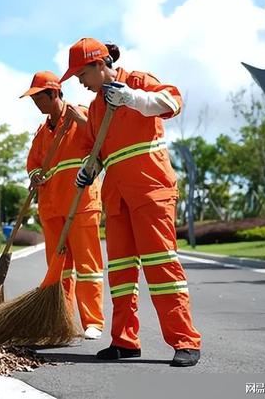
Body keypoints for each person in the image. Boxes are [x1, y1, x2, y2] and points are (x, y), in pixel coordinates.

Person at [60, 38, 202, 367]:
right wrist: (89, 170)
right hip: (117, 197)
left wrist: (131, 98)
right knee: (121, 272)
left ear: (99, 65)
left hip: (151, 190)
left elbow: (172, 102)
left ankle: (185, 340)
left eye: (81, 73)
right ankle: (125, 341)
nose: (79, 81)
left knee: (161, 267)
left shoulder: (138, 81)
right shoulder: (95, 108)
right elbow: (97, 152)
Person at [22, 70, 105, 339]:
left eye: (39, 98)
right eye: (33, 99)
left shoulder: (82, 114)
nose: (36, 104)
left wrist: (81, 121)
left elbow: (100, 141)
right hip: (51, 207)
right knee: (58, 268)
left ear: (55, 93)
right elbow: (33, 163)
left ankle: (93, 321)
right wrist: (35, 176)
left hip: (81, 204)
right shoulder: (42, 130)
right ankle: (62, 320)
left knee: (87, 265)